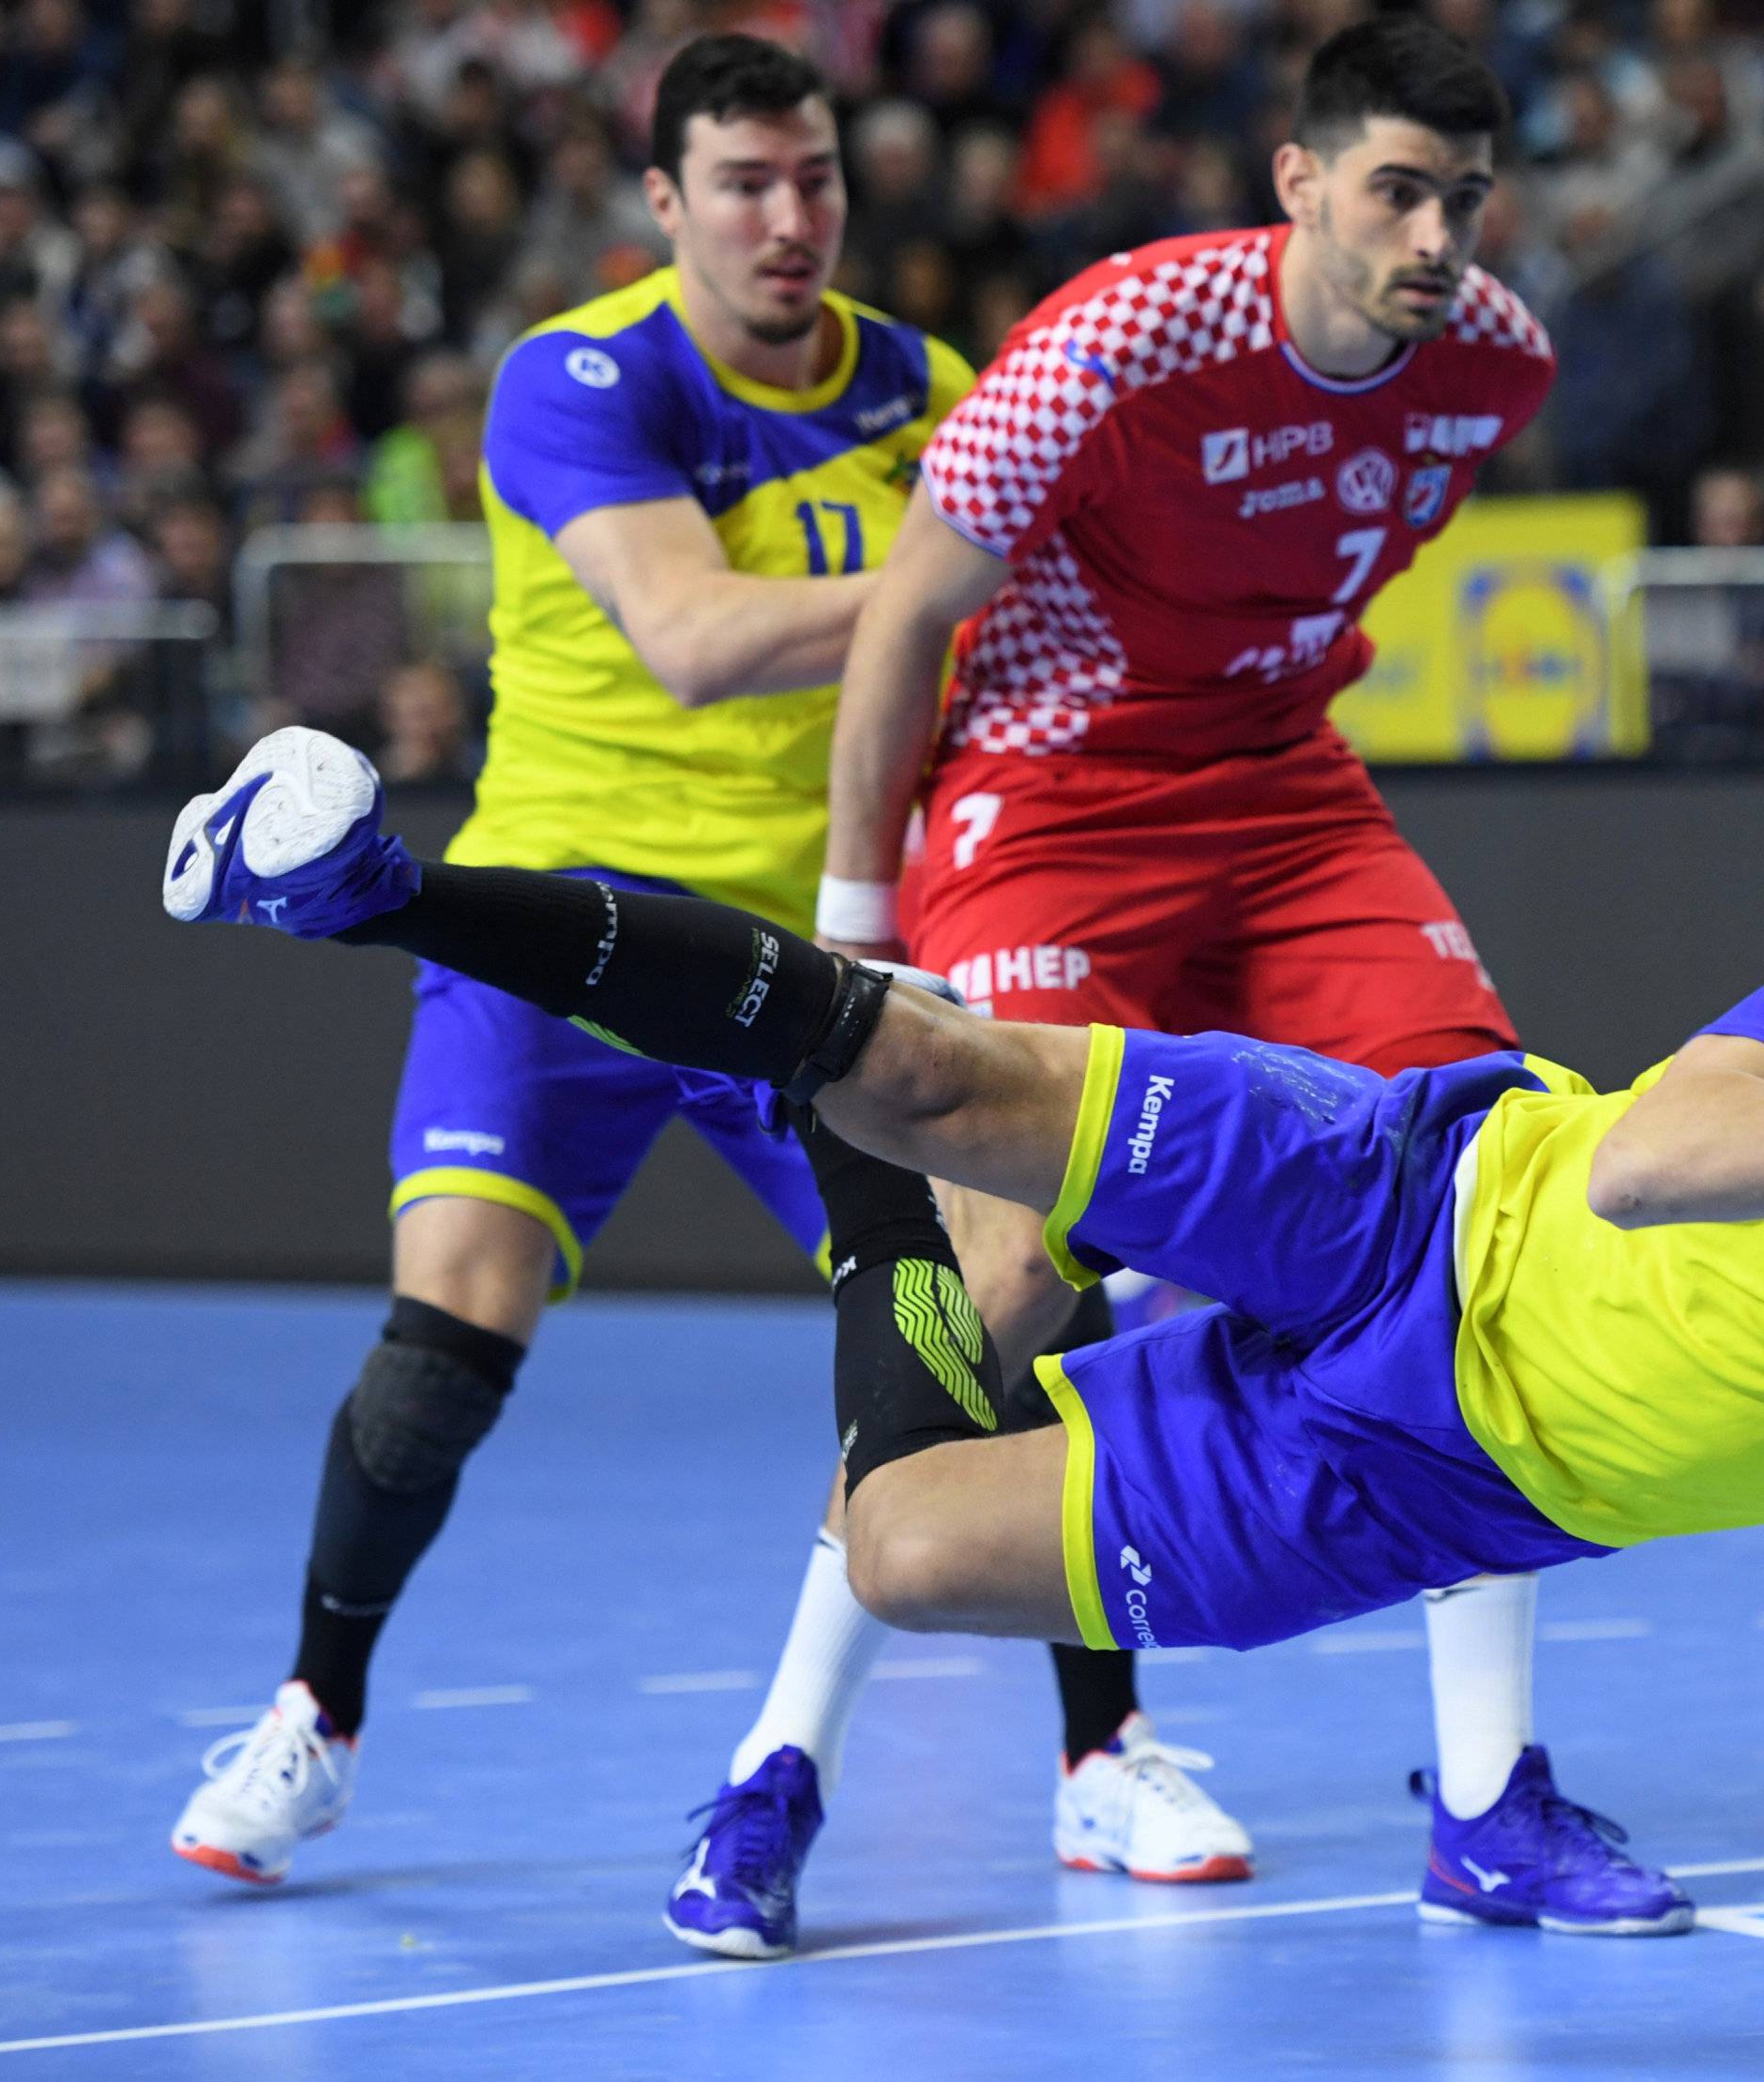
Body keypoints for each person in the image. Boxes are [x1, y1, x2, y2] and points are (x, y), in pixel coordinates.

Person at [163, 725, 1737, 1937]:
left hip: (1428, 1486)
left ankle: (859, 1183)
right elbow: (1656, 1160)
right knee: (929, 1075)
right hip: (1433, 1201)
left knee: (907, 1543)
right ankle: (376, 892)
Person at [804, 13, 1681, 1931]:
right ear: (1298, 183)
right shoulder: (1117, 342)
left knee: (1486, 1207)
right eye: (1396, 189)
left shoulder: (1494, 368)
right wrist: (856, 936)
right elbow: (904, 627)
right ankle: (786, 1755)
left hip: (1282, 797)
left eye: (1464, 195)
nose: (1438, 232)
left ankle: (1486, 1807)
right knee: (1013, 1270)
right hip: (1049, 784)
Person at [162, 36, 972, 1956]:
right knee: (444, 1344)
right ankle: (315, 1717)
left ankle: (1106, 1753)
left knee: (985, 1323)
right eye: (746, 184)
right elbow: (690, 643)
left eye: (817, 178)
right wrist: (963, 574)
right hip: (567, 939)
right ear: (664, 205)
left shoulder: (929, 394)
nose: (791, 218)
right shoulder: (580, 377)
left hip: (810, 959)